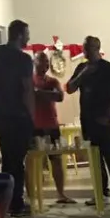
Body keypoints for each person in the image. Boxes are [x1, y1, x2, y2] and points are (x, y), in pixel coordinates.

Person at [66, 36, 110, 207]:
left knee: (109, 156)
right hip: (86, 119)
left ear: (97, 48)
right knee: (95, 159)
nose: (86, 51)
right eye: (84, 47)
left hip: (102, 118)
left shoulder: (108, 68)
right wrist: (82, 75)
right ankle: (101, 193)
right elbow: (69, 88)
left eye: (89, 47)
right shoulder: (81, 67)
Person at [0, 18, 34, 217]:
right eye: (27, 35)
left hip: (0, 113)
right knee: (17, 160)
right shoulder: (23, 59)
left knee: (8, 157)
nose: (28, 38)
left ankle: (6, 201)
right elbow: (27, 89)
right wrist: (31, 116)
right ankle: (16, 203)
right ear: (19, 35)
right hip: (19, 115)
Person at [32, 52, 71, 204]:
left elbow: (60, 96)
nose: (45, 65)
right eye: (42, 62)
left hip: (52, 125)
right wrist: (48, 94)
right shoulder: (29, 81)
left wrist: (39, 93)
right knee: (34, 162)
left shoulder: (53, 81)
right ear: (35, 62)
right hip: (35, 127)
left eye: (47, 62)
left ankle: (61, 194)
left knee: (56, 160)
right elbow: (29, 96)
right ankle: (34, 197)